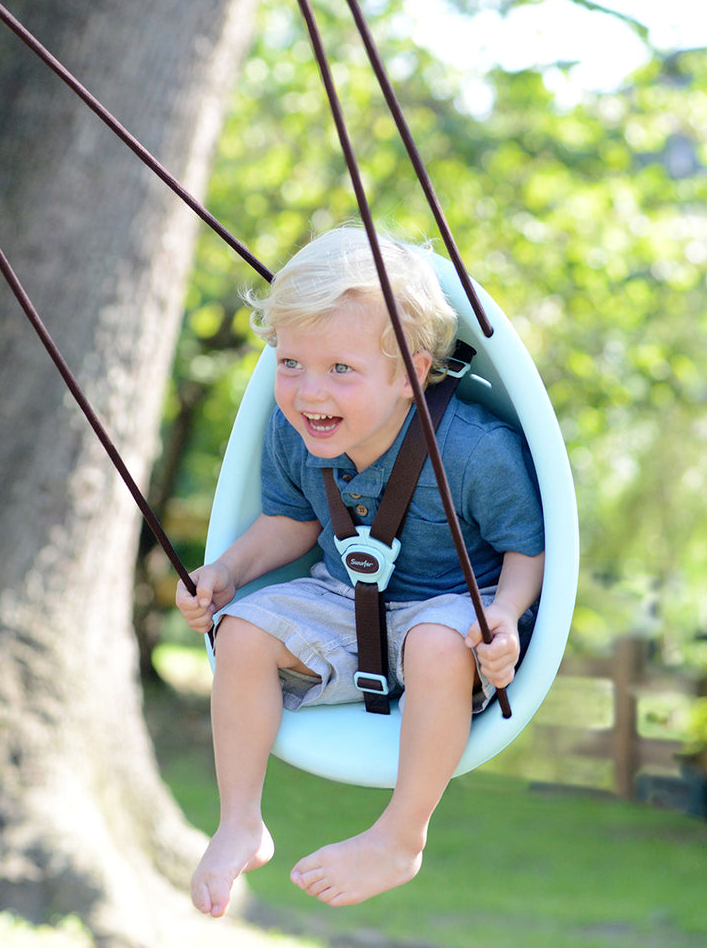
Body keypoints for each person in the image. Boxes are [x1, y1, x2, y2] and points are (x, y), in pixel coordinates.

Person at [176, 227, 545, 918]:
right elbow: (291, 523)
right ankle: (239, 822)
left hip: (455, 607)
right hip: (347, 597)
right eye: (290, 363)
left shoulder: (475, 450)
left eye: (340, 369)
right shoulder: (294, 433)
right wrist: (225, 571)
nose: (309, 392)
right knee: (243, 632)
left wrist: (508, 613)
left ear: (410, 372)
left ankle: (401, 837)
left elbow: (527, 547)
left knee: (437, 642)